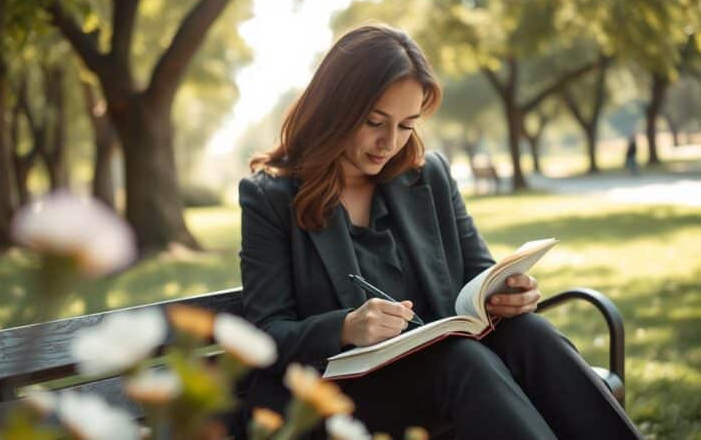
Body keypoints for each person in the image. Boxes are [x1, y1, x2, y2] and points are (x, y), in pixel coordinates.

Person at [238, 24, 641, 439]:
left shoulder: (427, 177)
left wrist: (510, 294)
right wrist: (345, 328)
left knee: (529, 332)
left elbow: (480, 277)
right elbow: (267, 333)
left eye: (406, 125)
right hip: (338, 396)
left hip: (447, 374)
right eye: (375, 122)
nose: (388, 142)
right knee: (462, 360)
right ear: (336, 108)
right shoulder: (270, 196)